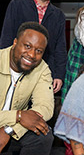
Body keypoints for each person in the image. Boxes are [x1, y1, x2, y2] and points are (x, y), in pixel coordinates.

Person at [0, 0, 67, 93]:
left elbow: (60, 48)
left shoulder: (59, 16)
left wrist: (59, 75)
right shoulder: (16, 5)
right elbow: (6, 38)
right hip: (16, 70)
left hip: (44, 74)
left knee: (40, 111)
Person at [0, 22, 54, 154]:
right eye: (27, 46)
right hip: (13, 119)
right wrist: (17, 116)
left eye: (39, 51)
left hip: (13, 129)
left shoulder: (42, 69)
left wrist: (9, 129)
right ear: (15, 42)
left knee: (43, 134)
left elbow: (45, 107)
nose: (31, 55)